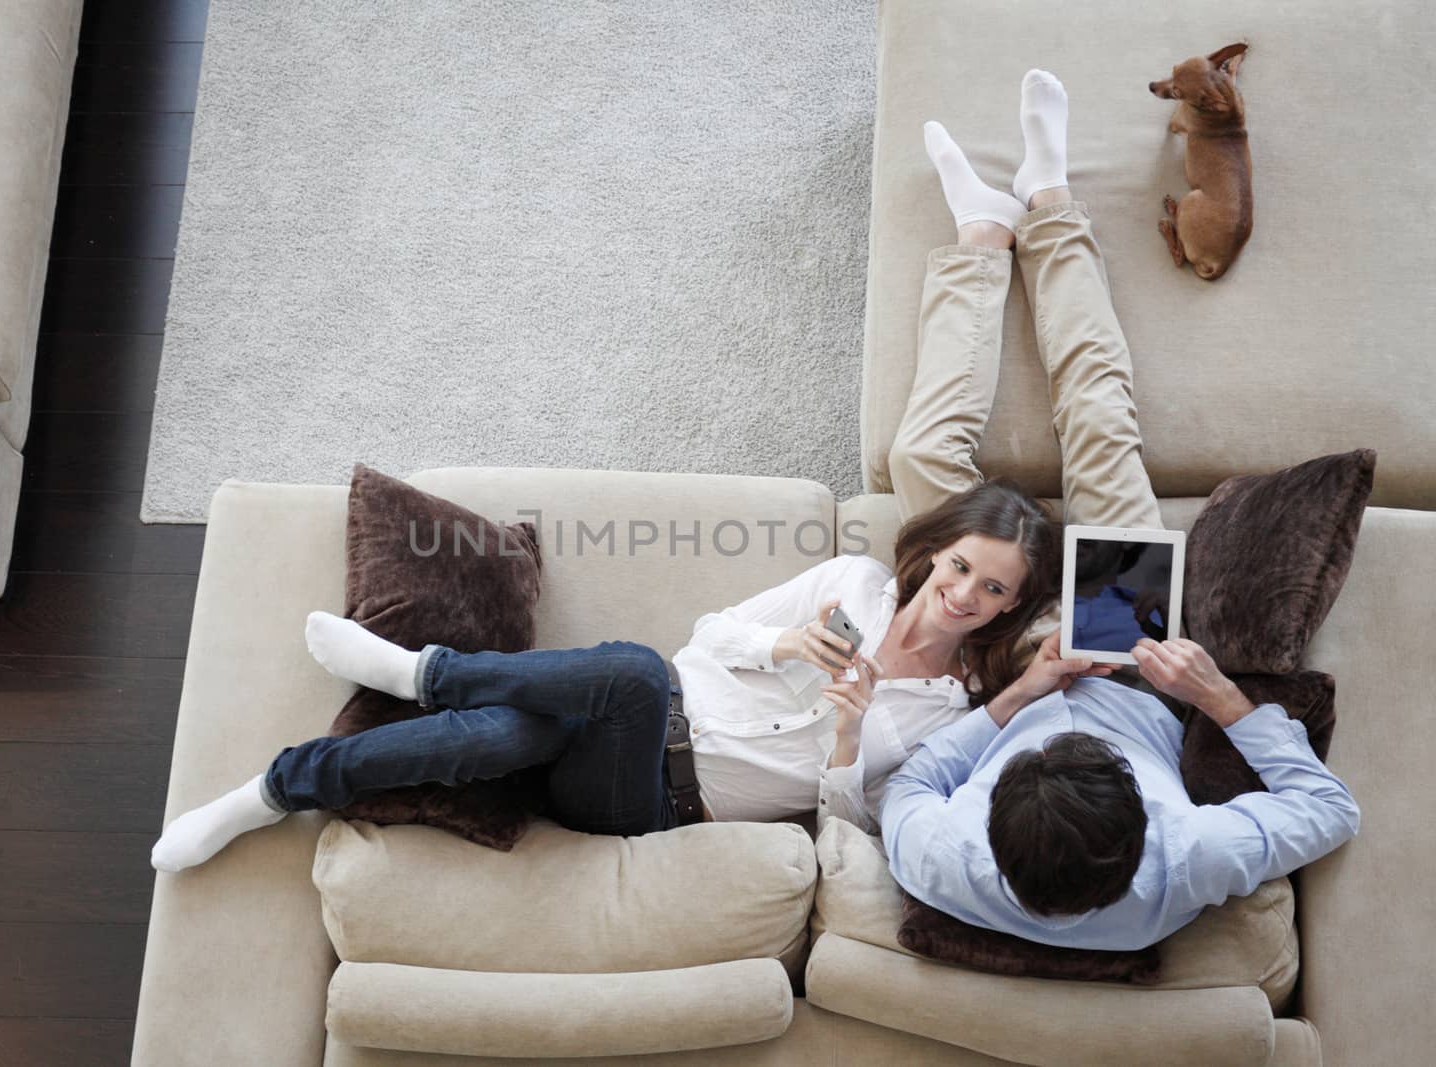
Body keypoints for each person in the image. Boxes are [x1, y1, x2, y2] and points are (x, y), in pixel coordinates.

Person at [147, 67, 1121, 874]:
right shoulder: (852, 585)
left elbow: (852, 818)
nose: (965, 595)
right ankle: (272, 788)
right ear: (934, 553)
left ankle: (423, 669)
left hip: (657, 793)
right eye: (960, 568)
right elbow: (713, 635)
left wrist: (845, 731)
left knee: (632, 672)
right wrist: (784, 649)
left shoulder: (945, 707)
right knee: (502, 736)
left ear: (1005, 608)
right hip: (626, 713)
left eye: (991, 590)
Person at [873, 73, 1360, 949]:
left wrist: (1020, 697)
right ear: (1146, 830)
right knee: (1098, 422)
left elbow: (906, 792)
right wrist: (1215, 696)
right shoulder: (1189, 858)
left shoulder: (948, 858)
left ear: (990, 827)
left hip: (1008, 658)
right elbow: (1328, 808)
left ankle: (986, 233)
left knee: (917, 460)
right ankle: (1049, 203)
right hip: (1127, 654)